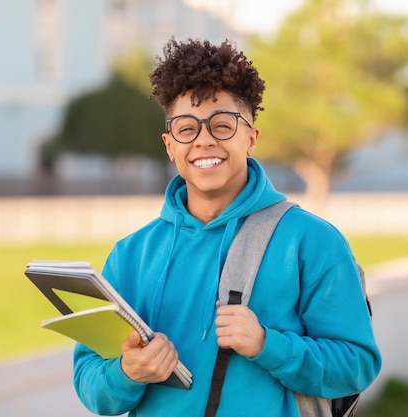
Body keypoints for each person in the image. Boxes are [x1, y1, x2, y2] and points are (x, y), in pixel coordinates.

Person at [73, 37, 382, 417]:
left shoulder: (311, 241)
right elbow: (91, 381)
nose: (204, 141)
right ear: (170, 145)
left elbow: (357, 365)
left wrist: (268, 345)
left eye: (222, 125)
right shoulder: (131, 254)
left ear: (250, 138)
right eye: (187, 129)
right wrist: (127, 374)